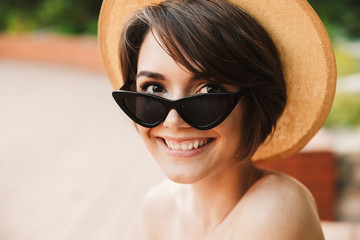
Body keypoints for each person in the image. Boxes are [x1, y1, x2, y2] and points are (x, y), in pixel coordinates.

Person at [98, 0, 336, 239]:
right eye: (153, 88)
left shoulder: (277, 208)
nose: (173, 121)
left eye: (209, 90)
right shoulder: (157, 208)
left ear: (255, 103)